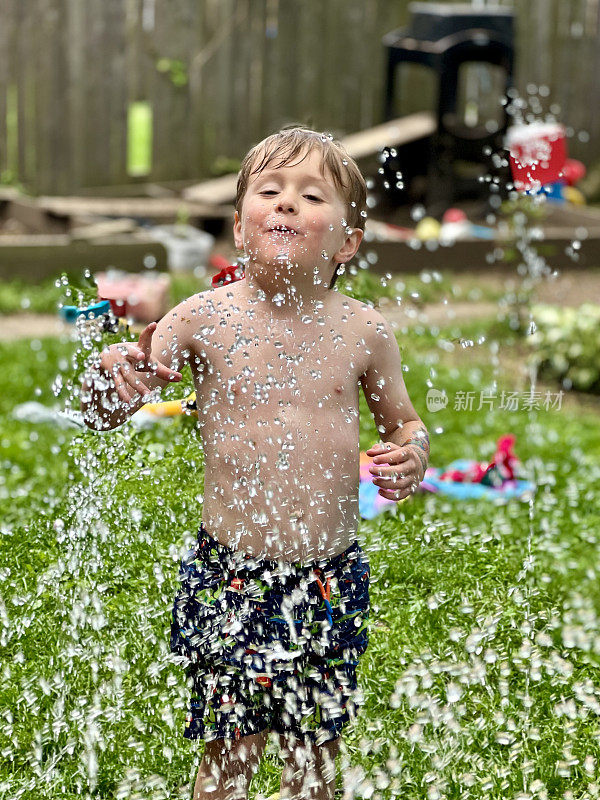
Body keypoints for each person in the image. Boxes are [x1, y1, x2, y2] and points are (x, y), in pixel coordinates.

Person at [80, 126, 430, 800]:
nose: (287, 204)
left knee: (314, 761)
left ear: (349, 240)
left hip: (328, 575)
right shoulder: (201, 320)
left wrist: (410, 456)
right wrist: (110, 378)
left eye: (310, 195)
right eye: (269, 191)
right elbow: (107, 412)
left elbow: (406, 424)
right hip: (230, 575)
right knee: (229, 756)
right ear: (240, 228)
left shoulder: (363, 331)